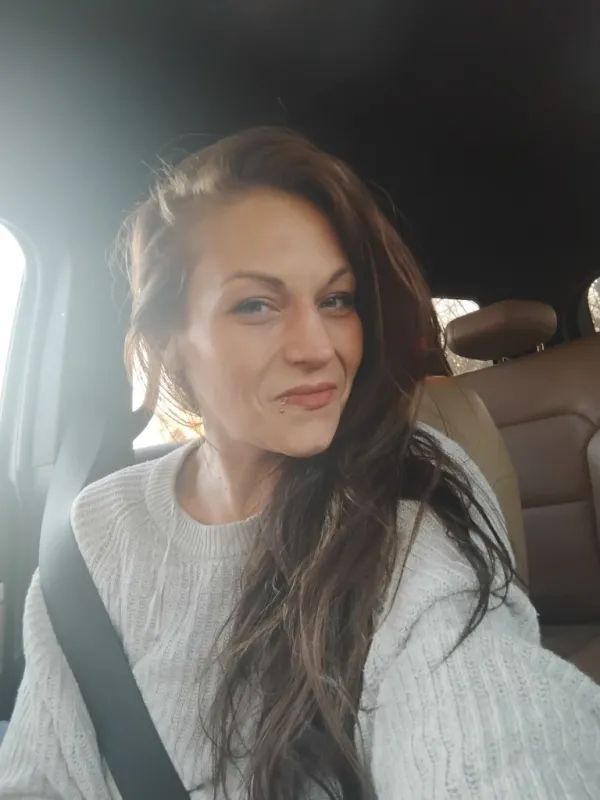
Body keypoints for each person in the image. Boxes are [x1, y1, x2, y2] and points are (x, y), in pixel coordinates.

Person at [0, 127, 599, 800]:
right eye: (255, 305)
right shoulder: (94, 533)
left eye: (336, 300)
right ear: (169, 342)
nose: (317, 347)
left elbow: (485, 714)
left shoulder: (410, 498)